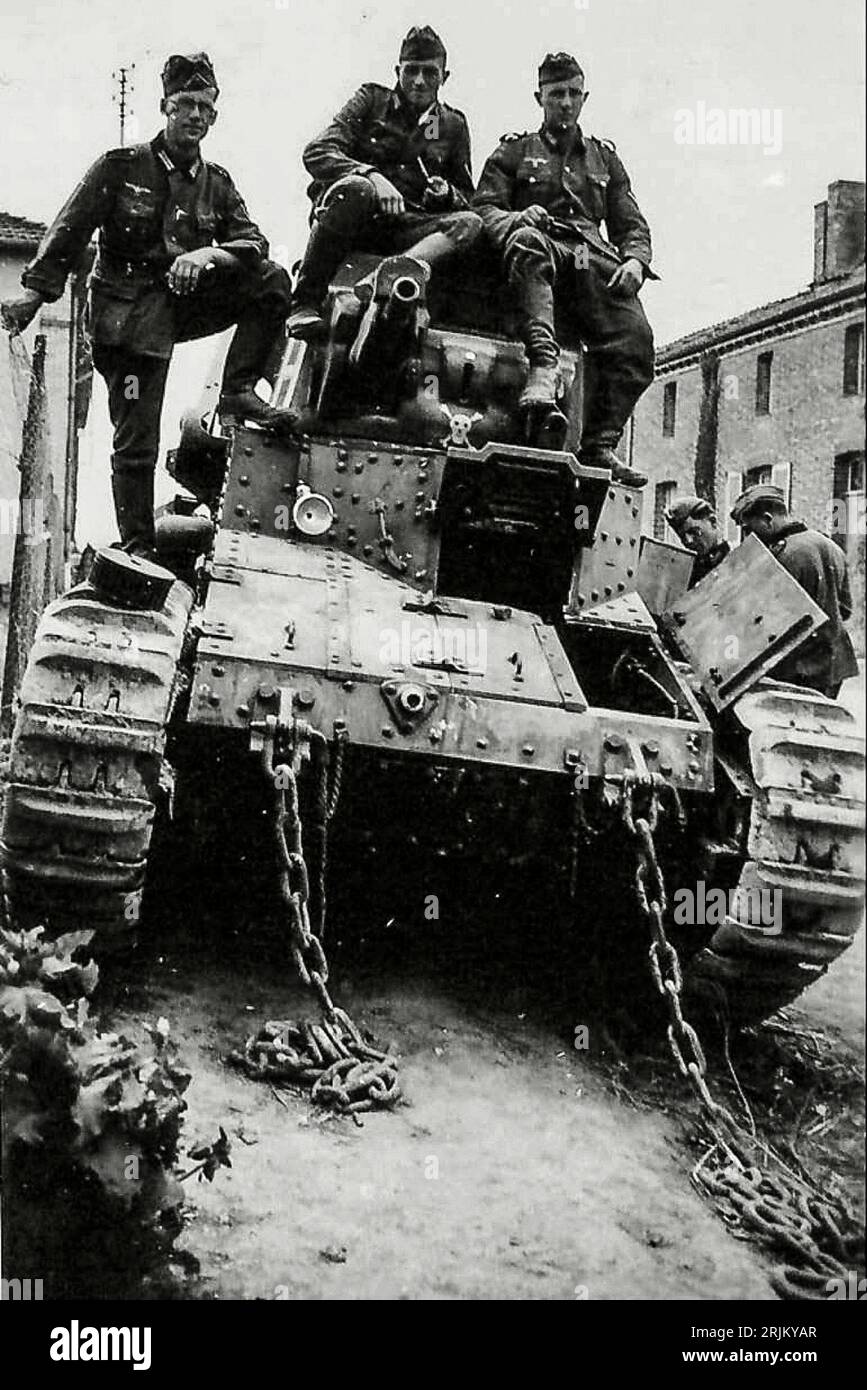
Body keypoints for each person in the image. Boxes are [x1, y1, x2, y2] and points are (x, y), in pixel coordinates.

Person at [1, 52, 294, 561]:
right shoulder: (123, 166)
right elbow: (71, 227)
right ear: (165, 107)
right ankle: (138, 549)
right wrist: (34, 292)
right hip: (127, 320)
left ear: (214, 116)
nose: (195, 116)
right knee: (138, 437)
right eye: (185, 105)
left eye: (205, 107)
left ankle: (239, 390)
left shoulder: (216, 184)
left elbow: (253, 241)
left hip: (181, 305)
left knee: (269, 281)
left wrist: (207, 254)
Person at [473, 52, 656, 487]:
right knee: (528, 242)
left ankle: (600, 443)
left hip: (591, 259)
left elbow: (630, 222)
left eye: (574, 94)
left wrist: (635, 259)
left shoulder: (604, 160)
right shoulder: (514, 152)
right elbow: (483, 208)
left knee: (637, 340)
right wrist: (517, 218)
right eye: (557, 94)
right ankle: (543, 368)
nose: (566, 103)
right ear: (540, 97)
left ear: (585, 97)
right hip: (541, 246)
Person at [287, 25, 483, 338]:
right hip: (358, 220)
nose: (419, 81)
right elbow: (318, 151)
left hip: (410, 230)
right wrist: (371, 175)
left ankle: (390, 273)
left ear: (445, 77)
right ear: (398, 71)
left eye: (430, 73)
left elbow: (467, 196)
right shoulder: (371, 100)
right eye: (411, 71)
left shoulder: (452, 125)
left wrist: (446, 195)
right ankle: (304, 303)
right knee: (357, 189)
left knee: (469, 223)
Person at [730, 483, 859, 698]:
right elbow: (845, 609)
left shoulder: (781, 556)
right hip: (834, 664)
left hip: (799, 670)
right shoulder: (830, 546)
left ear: (768, 519)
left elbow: (769, 624)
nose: (748, 538)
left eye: (749, 529)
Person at [665, 495, 730, 586]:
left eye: (694, 532)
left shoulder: (737, 560)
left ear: (713, 522)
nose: (688, 541)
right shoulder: (687, 574)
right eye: (682, 537)